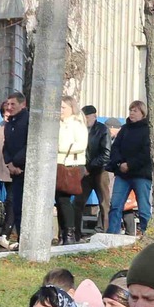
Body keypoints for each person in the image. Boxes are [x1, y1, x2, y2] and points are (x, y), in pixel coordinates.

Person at [108, 101, 154, 235]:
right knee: (116, 205)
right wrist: (119, 163)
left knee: (143, 208)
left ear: (143, 113)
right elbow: (115, 148)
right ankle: (112, 233)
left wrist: (130, 165)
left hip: (141, 174)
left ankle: (146, 233)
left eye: (135, 111)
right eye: (131, 110)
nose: (132, 113)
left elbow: (146, 152)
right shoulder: (124, 129)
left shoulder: (148, 130)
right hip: (123, 174)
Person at [56, 96, 91, 245]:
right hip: (58, 164)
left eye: (63, 107)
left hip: (72, 165)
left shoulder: (77, 124)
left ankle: (69, 233)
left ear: (72, 108)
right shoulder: (58, 123)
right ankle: (63, 233)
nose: (61, 110)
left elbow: (81, 145)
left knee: (64, 199)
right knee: (59, 200)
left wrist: (59, 148)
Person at [0, 92, 30, 244]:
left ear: (22, 104)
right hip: (14, 170)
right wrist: (9, 163)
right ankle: (21, 239)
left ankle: (27, 239)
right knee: (16, 207)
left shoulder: (28, 120)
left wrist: (17, 162)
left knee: (26, 207)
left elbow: (29, 145)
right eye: (8, 104)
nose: (9, 107)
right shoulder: (10, 123)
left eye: (13, 104)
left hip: (27, 170)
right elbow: (6, 146)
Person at [83, 106, 114, 231]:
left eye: (87, 117)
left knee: (104, 203)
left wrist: (90, 167)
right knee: (79, 203)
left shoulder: (102, 130)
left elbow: (106, 154)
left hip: (100, 171)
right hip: (85, 171)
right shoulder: (80, 129)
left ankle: (104, 230)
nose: (85, 119)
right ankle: (74, 233)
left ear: (94, 116)